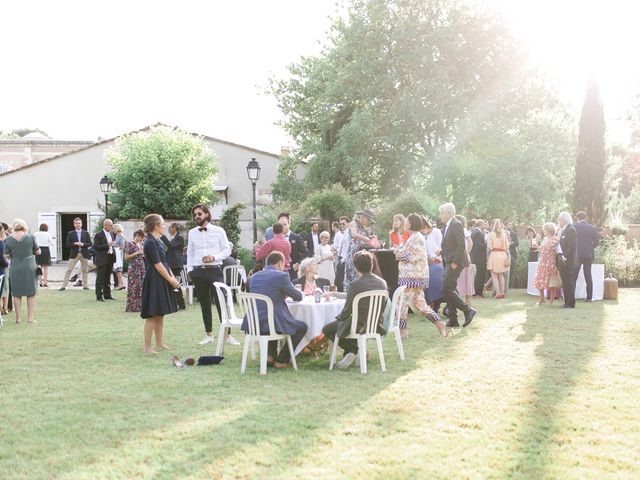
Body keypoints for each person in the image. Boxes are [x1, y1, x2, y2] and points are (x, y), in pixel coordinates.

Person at [322, 251, 388, 370]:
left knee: (328, 329)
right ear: (372, 265)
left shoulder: (355, 284)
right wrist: (335, 294)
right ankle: (356, 354)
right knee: (346, 323)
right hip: (375, 324)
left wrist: (338, 318)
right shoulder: (382, 282)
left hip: (358, 325)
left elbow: (346, 311)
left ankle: (352, 352)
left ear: (356, 267)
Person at [242, 251, 307, 369]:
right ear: (280, 263)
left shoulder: (253, 277)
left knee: (272, 319)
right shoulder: (281, 276)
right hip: (271, 321)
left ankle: (270, 355)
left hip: (254, 322)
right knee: (301, 327)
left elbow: (265, 293)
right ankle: (282, 359)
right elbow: (298, 296)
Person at [187, 203, 235, 345]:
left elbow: (227, 250)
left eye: (199, 214)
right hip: (198, 271)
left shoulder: (219, 231)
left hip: (215, 270)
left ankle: (227, 336)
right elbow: (190, 252)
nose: (197, 217)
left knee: (221, 302)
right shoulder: (192, 232)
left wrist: (213, 257)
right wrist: (190, 270)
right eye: (195, 215)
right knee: (204, 303)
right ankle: (209, 334)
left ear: (207, 214)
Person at [395, 213, 446, 338]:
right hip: (413, 276)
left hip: (412, 277)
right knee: (420, 304)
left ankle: (403, 331)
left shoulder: (417, 237)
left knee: (402, 303)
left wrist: (402, 255)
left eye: (406, 221)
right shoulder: (415, 237)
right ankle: (439, 323)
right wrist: (400, 252)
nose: (405, 224)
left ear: (411, 224)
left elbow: (417, 256)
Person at [140, 214, 179, 354]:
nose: (164, 226)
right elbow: (158, 265)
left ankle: (159, 343)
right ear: (156, 226)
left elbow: (164, 262)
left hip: (160, 279)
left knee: (160, 313)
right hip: (155, 280)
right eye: (162, 224)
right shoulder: (150, 242)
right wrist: (171, 280)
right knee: (152, 314)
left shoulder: (156, 241)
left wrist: (172, 276)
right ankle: (147, 346)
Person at [437, 203, 476, 328]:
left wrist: (455, 261)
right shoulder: (448, 226)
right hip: (449, 261)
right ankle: (453, 319)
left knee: (446, 288)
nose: (440, 216)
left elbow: (461, 245)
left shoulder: (456, 224)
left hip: (455, 262)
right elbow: (451, 245)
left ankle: (467, 310)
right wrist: (442, 251)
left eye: (441, 213)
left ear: (449, 213)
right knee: (450, 289)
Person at [4, 219, 40, 324]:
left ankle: (18, 318)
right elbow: (37, 251)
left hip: (15, 266)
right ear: (24, 226)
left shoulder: (8, 239)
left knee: (16, 293)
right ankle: (30, 318)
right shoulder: (30, 237)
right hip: (29, 266)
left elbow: (6, 256)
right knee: (31, 293)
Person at [344, 210, 378, 290]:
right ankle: (350, 290)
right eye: (368, 219)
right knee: (352, 271)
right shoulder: (354, 223)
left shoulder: (363, 228)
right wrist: (365, 238)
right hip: (353, 251)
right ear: (363, 217)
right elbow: (354, 234)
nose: (368, 222)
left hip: (360, 251)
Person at [60, 217, 92, 291]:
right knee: (69, 270)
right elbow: (67, 245)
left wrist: (83, 244)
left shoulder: (86, 233)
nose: (78, 225)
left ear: (81, 224)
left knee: (84, 270)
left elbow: (90, 243)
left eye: (79, 223)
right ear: (74, 225)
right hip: (74, 254)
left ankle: (85, 286)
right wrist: (75, 243)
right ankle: (63, 286)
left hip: (84, 253)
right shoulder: (70, 233)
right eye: (76, 223)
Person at [533, 222, 562, 305]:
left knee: (552, 282)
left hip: (551, 262)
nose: (543, 231)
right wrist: (537, 247)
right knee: (539, 280)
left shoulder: (556, 240)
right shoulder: (545, 239)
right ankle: (541, 298)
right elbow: (542, 250)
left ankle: (552, 300)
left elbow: (558, 251)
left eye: (544, 229)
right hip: (542, 262)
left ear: (548, 230)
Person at [573, 211, 599, 302]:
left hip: (577, 255)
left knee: (574, 276)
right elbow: (597, 242)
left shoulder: (574, 227)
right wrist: (590, 247)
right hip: (588, 254)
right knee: (588, 276)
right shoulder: (592, 228)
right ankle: (589, 297)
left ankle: (571, 296)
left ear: (577, 218)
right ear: (586, 217)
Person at [160, 223, 186, 310]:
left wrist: (162, 235)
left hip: (175, 264)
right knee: (171, 284)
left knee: (176, 284)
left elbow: (171, 245)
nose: (169, 229)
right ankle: (174, 303)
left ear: (175, 228)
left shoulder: (179, 237)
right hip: (171, 263)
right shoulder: (173, 237)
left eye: (170, 228)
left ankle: (181, 304)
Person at [556, 211, 577, 308]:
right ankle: (567, 302)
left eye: (559, 219)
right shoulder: (564, 230)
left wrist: (565, 256)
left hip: (567, 260)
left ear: (564, 220)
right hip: (563, 260)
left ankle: (570, 303)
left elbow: (572, 246)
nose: (558, 221)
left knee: (568, 281)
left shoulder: (570, 229)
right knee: (565, 281)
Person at [422, 217, 444, 307]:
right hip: (427, 262)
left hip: (438, 261)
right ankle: (431, 303)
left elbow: (440, 246)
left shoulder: (436, 232)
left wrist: (436, 257)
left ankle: (438, 303)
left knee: (437, 281)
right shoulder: (422, 236)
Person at [487, 219, 510, 299]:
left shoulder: (491, 234)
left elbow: (489, 246)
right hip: (503, 254)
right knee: (501, 275)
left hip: (494, 254)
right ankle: (502, 292)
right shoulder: (504, 234)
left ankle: (497, 293)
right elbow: (507, 246)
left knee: (494, 275)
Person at [94, 219, 117, 302]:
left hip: (110, 257)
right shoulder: (99, 234)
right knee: (100, 277)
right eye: (110, 225)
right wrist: (107, 245)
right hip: (102, 258)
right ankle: (99, 296)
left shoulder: (112, 234)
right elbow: (96, 247)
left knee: (108, 277)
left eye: (112, 225)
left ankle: (107, 294)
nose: (111, 227)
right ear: (105, 225)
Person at [455, 215, 475, 305]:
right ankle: (462, 299)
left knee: (466, 278)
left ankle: (468, 300)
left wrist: (466, 253)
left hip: (464, 257)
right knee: (462, 278)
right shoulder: (461, 230)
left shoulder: (463, 230)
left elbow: (470, 242)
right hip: (462, 256)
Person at [280, 215, 308, 280]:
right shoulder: (276, 239)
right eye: (280, 225)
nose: (282, 227)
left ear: (289, 224)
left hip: (293, 268)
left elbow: (305, 252)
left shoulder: (296, 237)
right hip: (280, 268)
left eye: (284, 224)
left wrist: (298, 263)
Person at [125, 229, 146, 313]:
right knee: (133, 286)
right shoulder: (129, 244)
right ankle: (132, 306)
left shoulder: (140, 244)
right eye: (141, 237)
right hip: (133, 268)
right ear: (137, 235)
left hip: (141, 267)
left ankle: (139, 306)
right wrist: (136, 253)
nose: (142, 240)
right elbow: (126, 257)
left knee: (140, 286)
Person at [470, 219, 488, 297]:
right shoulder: (477, 233)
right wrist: (486, 243)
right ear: (480, 224)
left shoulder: (475, 232)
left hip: (477, 257)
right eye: (484, 224)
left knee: (479, 275)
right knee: (480, 275)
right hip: (479, 258)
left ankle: (477, 292)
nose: (485, 226)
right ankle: (477, 292)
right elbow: (479, 246)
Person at [333, 216, 351, 292]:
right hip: (339, 256)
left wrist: (344, 259)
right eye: (340, 224)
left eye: (343, 223)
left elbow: (349, 247)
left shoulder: (349, 233)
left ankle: (341, 295)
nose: (342, 225)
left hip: (344, 258)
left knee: (339, 281)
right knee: (337, 281)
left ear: (348, 223)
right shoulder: (342, 234)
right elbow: (341, 247)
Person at [34, 223, 54, 287]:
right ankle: (45, 282)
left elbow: (33, 242)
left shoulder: (36, 233)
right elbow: (52, 243)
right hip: (46, 250)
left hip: (38, 249)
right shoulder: (48, 234)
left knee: (39, 267)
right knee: (46, 268)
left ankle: (40, 282)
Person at [505, 220, 519, 288]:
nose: (510, 226)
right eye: (509, 225)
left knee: (513, 270)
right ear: (506, 225)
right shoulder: (503, 233)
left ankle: (511, 286)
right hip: (505, 254)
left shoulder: (514, 234)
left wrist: (510, 244)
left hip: (513, 253)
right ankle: (505, 285)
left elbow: (517, 243)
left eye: (511, 225)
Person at [112, 224, 126, 290]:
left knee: (119, 269)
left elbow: (122, 246)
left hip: (118, 254)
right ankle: (120, 284)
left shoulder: (121, 235)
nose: (113, 229)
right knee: (117, 270)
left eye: (114, 228)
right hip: (115, 254)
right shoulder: (116, 236)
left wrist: (115, 246)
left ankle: (122, 284)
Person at [0, 222, 9, 314]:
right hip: (1, 268)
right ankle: (4, 307)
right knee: (4, 287)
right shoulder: (2, 242)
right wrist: (7, 264)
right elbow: (1, 258)